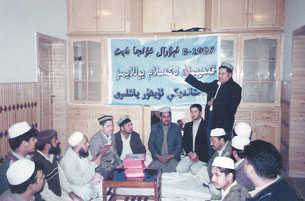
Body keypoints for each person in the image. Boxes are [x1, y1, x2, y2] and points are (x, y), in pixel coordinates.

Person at [184, 62, 242, 157]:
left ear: (230, 74)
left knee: (223, 151)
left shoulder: (235, 88)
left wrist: (215, 103)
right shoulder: (215, 84)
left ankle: (223, 170)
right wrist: (189, 76)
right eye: (219, 73)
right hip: (210, 123)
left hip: (223, 125)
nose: (220, 76)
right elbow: (201, 85)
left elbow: (231, 107)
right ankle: (212, 168)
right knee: (211, 148)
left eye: (223, 74)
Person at [33, 129, 83, 201]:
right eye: (55, 140)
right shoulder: (38, 162)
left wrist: (70, 192)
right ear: (47, 146)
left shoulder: (52, 156)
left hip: (59, 194)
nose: (58, 142)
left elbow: (61, 175)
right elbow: (45, 193)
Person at [60, 132, 103, 201]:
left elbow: (91, 161)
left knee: (105, 186)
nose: (88, 144)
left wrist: (96, 160)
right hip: (78, 191)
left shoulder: (83, 152)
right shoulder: (68, 161)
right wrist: (94, 164)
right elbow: (80, 181)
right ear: (78, 146)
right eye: (85, 143)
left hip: (89, 183)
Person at [0, 122, 38, 195]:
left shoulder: (27, 157)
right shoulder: (12, 165)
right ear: (24, 143)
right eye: (33, 139)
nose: (36, 141)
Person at [176, 104, 209, 175]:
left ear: (201, 112)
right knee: (179, 169)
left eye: (195, 111)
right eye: (191, 111)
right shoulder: (188, 125)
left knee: (194, 171)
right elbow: (184, 141)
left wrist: (197, 154)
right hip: (190, 155)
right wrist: (190, 153)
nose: (193, 114)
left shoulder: (206, 125)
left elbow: (207, 143)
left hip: (202, 156)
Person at [148, 107, 183, 173]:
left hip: (172, 159)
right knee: (151, 170)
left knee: (174, 168)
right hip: (159, 158)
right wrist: (158, 156)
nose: (166, 119)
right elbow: (150, 144)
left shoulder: (176, 127)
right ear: (160, 118)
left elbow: (180, 145)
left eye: (168, 116)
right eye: (164, 117)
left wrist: (171, 156)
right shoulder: (155, 127)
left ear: (171, 117)